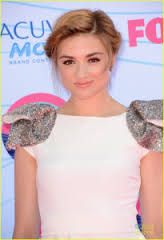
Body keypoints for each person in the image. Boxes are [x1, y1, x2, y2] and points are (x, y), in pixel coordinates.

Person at [3, 9, 163, 239]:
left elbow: (155, 228)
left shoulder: (144, 127)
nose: (81, 73)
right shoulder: (32, 130)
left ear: (112, 58)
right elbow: (25, 231)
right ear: (56, 64)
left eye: (93, 59)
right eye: (69, 61)